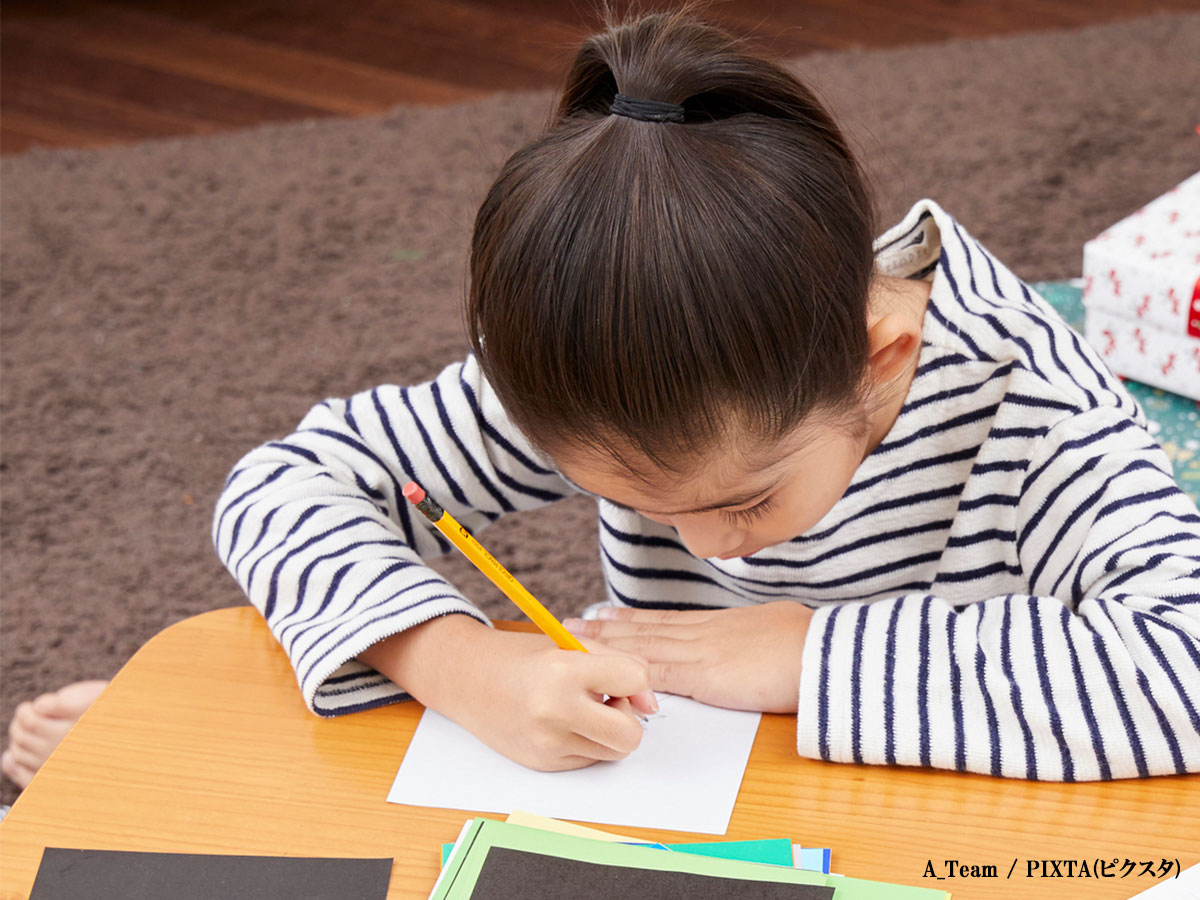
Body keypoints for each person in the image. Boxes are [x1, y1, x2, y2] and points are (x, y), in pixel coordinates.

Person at [211, 9, 1200, 781]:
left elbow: (1185, 666)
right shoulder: (612, 357)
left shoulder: (1026, 397)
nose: (704, 550)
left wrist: (810, 655)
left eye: (745, 499)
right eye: (647, 507)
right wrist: (457, 665)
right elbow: (286, 482)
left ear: (881, 360)